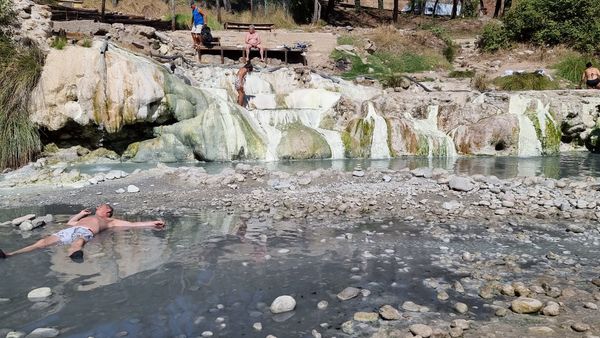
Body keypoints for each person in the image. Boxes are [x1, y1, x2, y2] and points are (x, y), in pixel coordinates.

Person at [0, 204, 165, 260]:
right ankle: (9, 255)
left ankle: (74, 253)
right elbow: (70, 222)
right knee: (41, 243)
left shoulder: (110, 221)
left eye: (102, 206)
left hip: (85, 231)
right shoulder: (87, 216)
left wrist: (152, 223)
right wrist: (81, 213)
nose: (99, 206)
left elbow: (132, 224)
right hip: (70, 229)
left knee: (79, 241)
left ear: (107, 211)